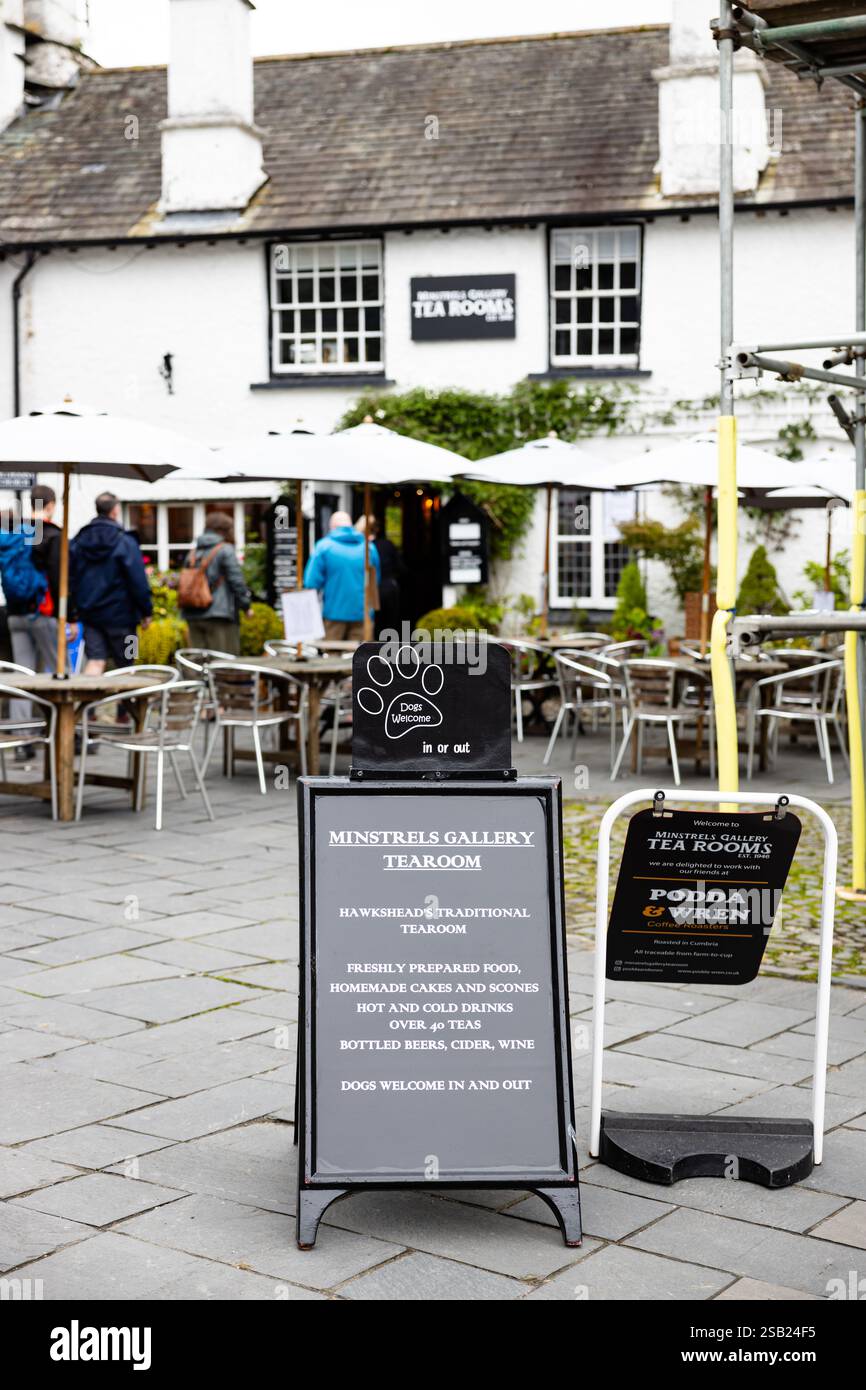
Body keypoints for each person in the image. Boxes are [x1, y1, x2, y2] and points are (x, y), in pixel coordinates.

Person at [0, 500, 58, 760]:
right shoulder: (28, 535)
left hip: (14, 614)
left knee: (21, 677)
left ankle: (21, 740)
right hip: (39, 611)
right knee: (58, 671)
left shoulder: (3, 543)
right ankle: (61, 729)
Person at [70, 492, 152, 674]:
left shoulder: (78, 541)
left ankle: (89, 702)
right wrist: (146, 611)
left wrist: (73, 614)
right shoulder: (126, 541)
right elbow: (138, 581)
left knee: (95, 660)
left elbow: (71, 579)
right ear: (115, 511)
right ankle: (128, 702)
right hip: (125, 619)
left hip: (90, 616)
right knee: (128, 662)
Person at [179, 511, 252, 656]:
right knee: (222, 664)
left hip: (192, 613)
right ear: (225, 530)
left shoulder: (192, 553)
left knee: (197, 663)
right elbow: (236, 581)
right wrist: (246, 606)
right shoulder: (225, 550)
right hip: (220, 615)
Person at [303, 510, 380, 640]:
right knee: (359, 657)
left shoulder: (324, 547)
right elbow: (375, 580)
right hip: (363, 613)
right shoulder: (369, 548)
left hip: (333, 613)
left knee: (331, 658)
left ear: (332, 527)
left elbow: (311, 582)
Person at [356, 514, 404, 636]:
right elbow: (400, 567)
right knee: (389, 624)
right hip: (387, 587)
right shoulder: (387, 545)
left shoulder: (360, 546)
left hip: (368, 589)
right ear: (376, 529)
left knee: (372, 624)